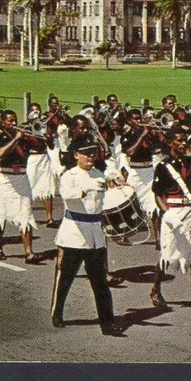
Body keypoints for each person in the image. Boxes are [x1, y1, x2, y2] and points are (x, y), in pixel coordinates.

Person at [50, 137, 123, 335]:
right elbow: (67, 194)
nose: (91, 156)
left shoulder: (100, 174)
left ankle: (107, 323)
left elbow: (108, 202)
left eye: (93, 152)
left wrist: (117, 184)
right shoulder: (69, 175)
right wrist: (89, 186)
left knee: (100, 283)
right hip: (73, 231)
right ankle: (57, 312)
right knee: (65, 278)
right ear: (76, 155)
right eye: (86, 152)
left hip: (95, 233)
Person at [149, 126, 191, 317]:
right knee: (167, 256)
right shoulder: (163, 167)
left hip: (189, 212)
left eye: (184, 140)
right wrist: (167, 214)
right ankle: (156, 288)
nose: (183, 143)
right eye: (178, 140)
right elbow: (157, 196)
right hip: (171, 214)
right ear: (170, 143)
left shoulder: (190, 163)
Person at [0, 110, 46, 263]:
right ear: (2, 122)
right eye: (9, 121)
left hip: (22, 177)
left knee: (26, 214)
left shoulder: (23, 137)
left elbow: (41, 146)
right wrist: (15, 139)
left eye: (14, 120)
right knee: (1, 214)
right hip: (5, 179)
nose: (13, 123)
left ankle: (28, 252)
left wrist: (31, 136)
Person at [120, 107, 163, 248]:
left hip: (150, 170)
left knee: (154, 206)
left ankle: (158, 238)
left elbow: (160, 147)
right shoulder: (128, 134)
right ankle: (124, 233)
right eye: (135, 119)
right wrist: (142, 136)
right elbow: (131, 151)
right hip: (135, 171)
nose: (138, 121)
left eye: (140, 118)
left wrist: (158, 133)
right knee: (129, 202)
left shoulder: (149, 133)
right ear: (128, 121)